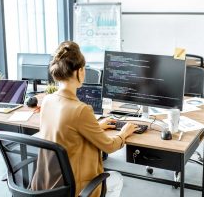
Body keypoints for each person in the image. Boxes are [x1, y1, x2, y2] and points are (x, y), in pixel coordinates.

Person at [31, 41, 139, 197]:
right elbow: (109, 146)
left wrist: (96, 126)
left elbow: (66, 132)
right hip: (74, 188)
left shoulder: (48, 100)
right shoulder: (81, 110)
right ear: (79, 71)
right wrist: (124, 133)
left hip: (48, 185)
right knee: (117, 179)